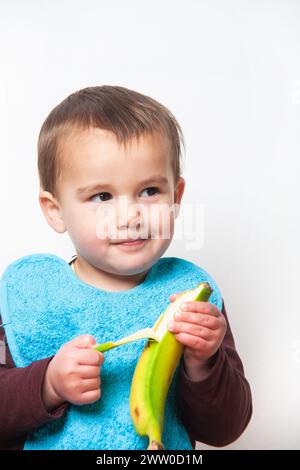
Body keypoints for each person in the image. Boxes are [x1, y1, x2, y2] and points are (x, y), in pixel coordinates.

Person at [0, 85, 252, 450]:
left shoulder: (192, 298)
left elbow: (225, 429)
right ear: (55, 210)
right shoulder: (29, 296)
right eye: (102, 196)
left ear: (176, 197)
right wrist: (47, 385)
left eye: (150, 191)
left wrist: (205, 363)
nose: (130, 215)